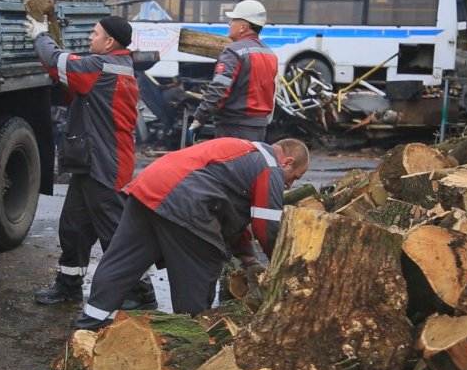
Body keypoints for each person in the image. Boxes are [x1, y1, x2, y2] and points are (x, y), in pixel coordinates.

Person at [73, 138, 309, 331]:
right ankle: (194, 335)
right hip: (184, 200)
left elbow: (231, 218)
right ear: (287, 161)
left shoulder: (243, 151)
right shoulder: (269, 166)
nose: (288, 186)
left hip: (150, 186)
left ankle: (88, 324)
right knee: (201, 269)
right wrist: (283, 269)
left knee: (121, 263)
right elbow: (266, 227)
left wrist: (249, 260)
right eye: (294, 178)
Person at [24, 14, 156, 309]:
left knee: (115, 234)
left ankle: (142, 292)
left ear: (110, 42)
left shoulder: (101, 67)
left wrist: (40, 35)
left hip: (106, 164)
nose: (89, 38)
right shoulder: (112, 65)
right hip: (92, 162)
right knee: (73, 227)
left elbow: (59, 61)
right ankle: (69, 284)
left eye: (94, 34)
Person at [189, 0, 278, 142]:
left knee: (231, 164)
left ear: (243, 26)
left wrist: (198, 119)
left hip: (234, 128)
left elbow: (219, 89)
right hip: (259, 128)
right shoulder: (270, 53)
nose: (229, 23)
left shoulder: (233, 51)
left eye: (233, 20)